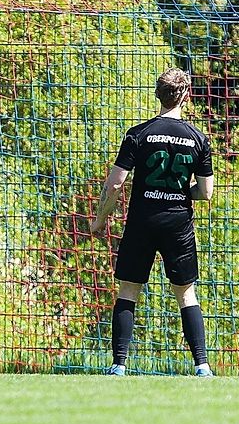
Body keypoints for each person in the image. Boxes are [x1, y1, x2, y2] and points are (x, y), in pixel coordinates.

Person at [90, 68, 214, 377]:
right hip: (178, 223)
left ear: (158, 95)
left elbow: (116, 184)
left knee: (128, 290)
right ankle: (202, 366)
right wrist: (178, 190)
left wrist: (99, 219)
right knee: (186, 293)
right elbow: (206, 192)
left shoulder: (138, 134)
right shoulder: (199, 139)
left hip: (142, 220)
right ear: (185, 96)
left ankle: (118, 365)